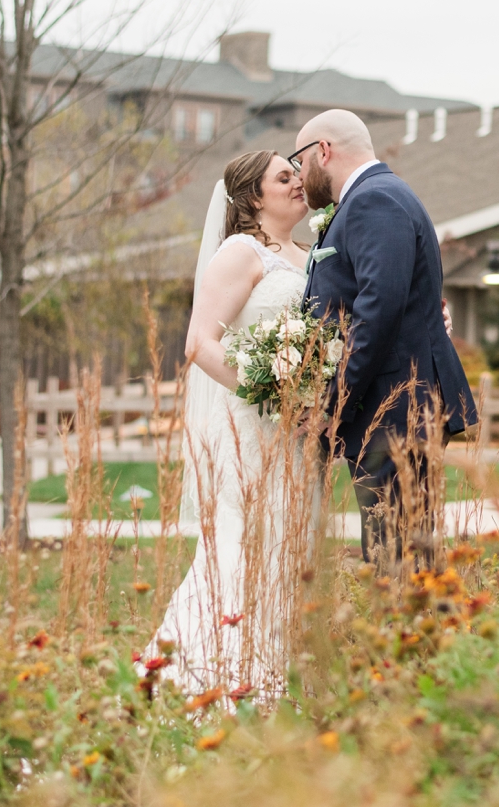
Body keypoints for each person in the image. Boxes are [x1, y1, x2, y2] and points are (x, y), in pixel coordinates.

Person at [145, 150, 317, 695]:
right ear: (251, 198)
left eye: (297, 175)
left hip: (297, 435)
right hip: (248, 426)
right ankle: (203, 680)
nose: (298, 183)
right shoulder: (240, 254)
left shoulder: (311, 256)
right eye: (283, 177)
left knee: (286, 551)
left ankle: (273, 680)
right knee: (238, 551)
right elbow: (200, 343)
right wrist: (271, 392)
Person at [292, 109, 478, 565]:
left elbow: (378, 311)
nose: (300, 175)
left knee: (398, 558)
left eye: (299, 160)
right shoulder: (374, 198)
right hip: (394, 408)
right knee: (398, 555)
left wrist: (333, 404)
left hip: (395, 410)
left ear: (323, 150)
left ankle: (413, 636)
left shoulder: (375, 200)